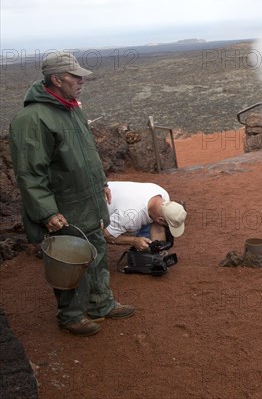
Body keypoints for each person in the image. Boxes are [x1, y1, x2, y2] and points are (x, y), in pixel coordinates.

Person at [8, 52, 134, 337]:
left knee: (97, 252)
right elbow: (30, 173)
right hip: (64, 205)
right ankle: (71, 315)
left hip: (88, 199)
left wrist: (101, 180)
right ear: (56, 79)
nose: (81, 81)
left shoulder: (72, 109)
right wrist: (47, 212)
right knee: (70, 259)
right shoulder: (32, 119)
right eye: (75, 76)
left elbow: (88, 151)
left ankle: (101, 303)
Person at [104, 181, 187, 251]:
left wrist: (158, 251)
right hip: (94, 205)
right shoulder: (130, 216)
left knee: (148, 241)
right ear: (160, 220)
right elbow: (103, 235)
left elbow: (158, 228)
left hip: (122, 199)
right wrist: (133, 241)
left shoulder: (163, 195)